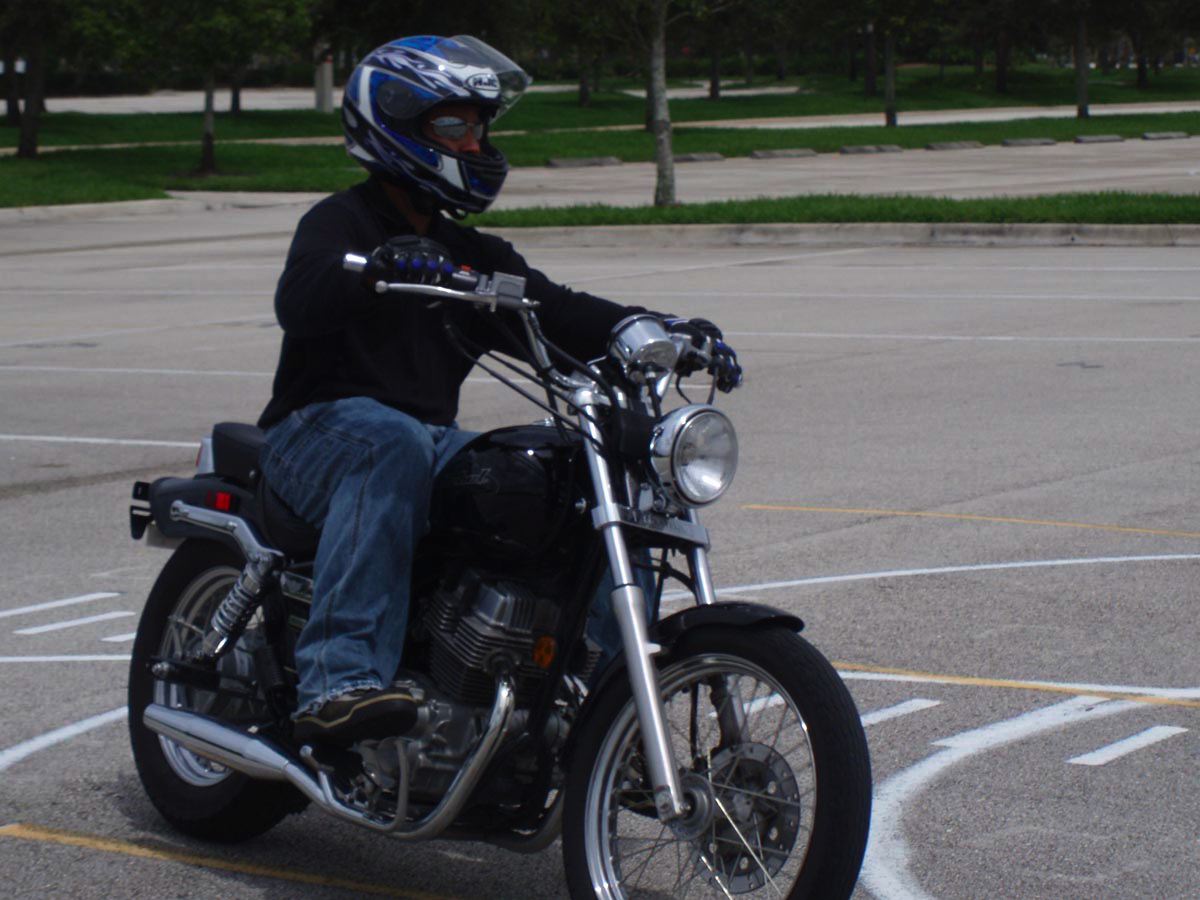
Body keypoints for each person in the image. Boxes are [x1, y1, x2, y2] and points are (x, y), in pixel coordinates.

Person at [256, 35, 739, 743]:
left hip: (425, 439)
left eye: (479, 127)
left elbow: (555, 309)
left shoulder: (470, 255)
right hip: (315, 429)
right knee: (389, 443)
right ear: (396, 125)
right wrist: (375, 268)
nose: (474, 143)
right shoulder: (339, 222)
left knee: (555, 475)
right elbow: (299, 299)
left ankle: (604, 711)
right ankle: (338, 681)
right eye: (455, 126)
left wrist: (657, 328)